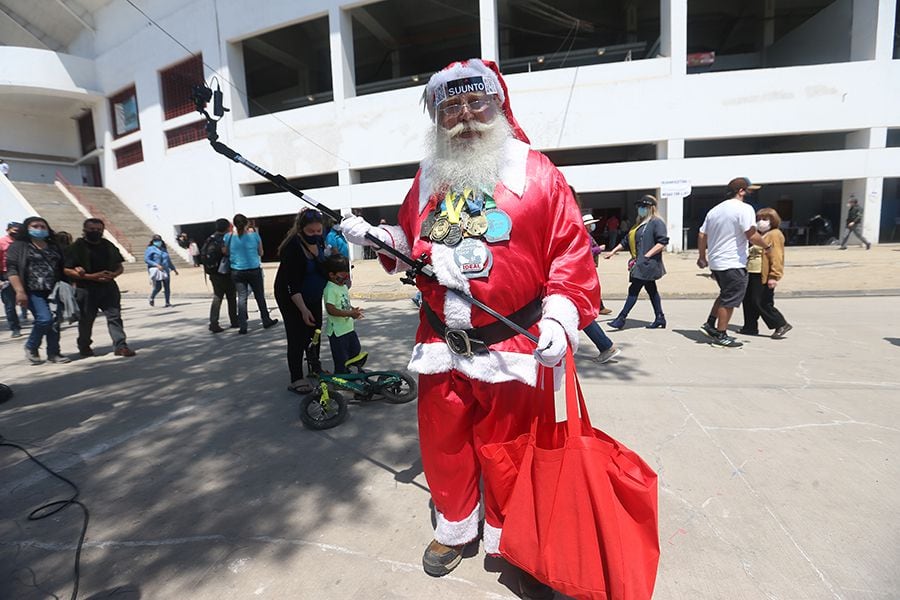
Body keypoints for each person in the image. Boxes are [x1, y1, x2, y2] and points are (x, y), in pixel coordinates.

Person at [340, 58, 598, 596]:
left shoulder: (537, 173)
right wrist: (376, 237)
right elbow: (412, 242)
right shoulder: (428, 176)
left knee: (507, 448)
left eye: (475, 101)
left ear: (498, 104)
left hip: (511, 345)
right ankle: (455, 529)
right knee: (444, 444)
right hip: (439, 343)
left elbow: (572, 254)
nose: (463, 115)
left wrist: (560, 314)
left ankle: (512, 539)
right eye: (449, 105)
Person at [697, 177, 772, 348]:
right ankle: (721, 334)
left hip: (717, 262)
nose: (751, 194)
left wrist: (702, 256)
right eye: (749, 190)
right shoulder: (744, 209)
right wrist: (767, 246)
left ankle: (710, 324)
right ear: (741, 191)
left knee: (725, 294)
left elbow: (702, 235)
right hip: (732, 262)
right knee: (730, 299)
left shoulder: (715, 210)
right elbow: (751, 234)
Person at [63, 218, 136, 357]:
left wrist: (113, 275)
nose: (95, 232)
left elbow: (119, 266)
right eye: (92, 229)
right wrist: (91, 276)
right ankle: (84, 345)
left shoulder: (108, 246)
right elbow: (66, 269)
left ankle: (120, 346)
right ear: (84, 230)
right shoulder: (75, 248)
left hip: (108, 288)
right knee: (86, 320)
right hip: (85, 289)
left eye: (99, 230)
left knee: (114, 317)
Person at [274, 208, 328, 392]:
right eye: (310, 231)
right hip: (291, 296)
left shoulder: (320, 241)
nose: (315, 235)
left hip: (312, 294)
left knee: (316, 331)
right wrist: (303, 310)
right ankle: (296, 377)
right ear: (300, 229)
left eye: (318, 231)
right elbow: (292, 285)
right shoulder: (293, 248)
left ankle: (314, 367)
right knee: (297, 335)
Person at [5, 217, 70, 364]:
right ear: (27, 228)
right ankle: (31, 346)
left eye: (43, 226)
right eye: (35, 226)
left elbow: (63, 266)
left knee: (55, 320)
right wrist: (19, 291)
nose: (39, 229)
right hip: (32, 291)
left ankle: (54, 353)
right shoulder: (19, 246)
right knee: (44, 318)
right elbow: (12, 270)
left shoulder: (53, 246)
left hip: (54, 290)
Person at [604, 195, 669, 330]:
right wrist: (613, 251)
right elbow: (626, 241)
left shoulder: (656, 222)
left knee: (633, 290)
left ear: (651, 208)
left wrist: (647, 255)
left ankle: (621, 318)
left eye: (644, 207)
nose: (641, 209)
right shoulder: (638, 224)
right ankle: (660, 317)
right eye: (639, 207)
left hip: (647, 264)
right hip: (640, 263)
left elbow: (662, 242)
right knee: (652, 290)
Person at [741, 208, 792, 339]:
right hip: (751, 271)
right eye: (758, 219)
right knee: (748, 301)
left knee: (761, 301)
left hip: (762, 272)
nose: (761, 222)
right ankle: (750, 326)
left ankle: (780, 323)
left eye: (765, 219)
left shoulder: (775, 234)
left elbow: (777, 256)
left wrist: (774, 276)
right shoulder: (758, 234)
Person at [225, 213, 278, 334]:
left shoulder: (229, 237)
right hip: (253, 269)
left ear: (234, 224)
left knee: (242, 297)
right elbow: (261, 253)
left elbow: (226, 252)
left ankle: (243, 325)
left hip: (237, 270)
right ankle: (265, 319)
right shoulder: (254, 236)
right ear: (247, 223)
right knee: (259, 296)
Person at [323, 255, 364, 373]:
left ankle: (349, 372)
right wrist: (350, 313)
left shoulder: (343, 286)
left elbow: (343, 302)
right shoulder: (330, 289)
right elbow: (331, 309)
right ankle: (340, 377)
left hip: (348, 328)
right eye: (343, 274)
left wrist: (353, 309)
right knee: (341, 357)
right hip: (337, 332)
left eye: (347, 274)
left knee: (355, 350)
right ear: (332, 275)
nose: (346, 277)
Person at [204, 219, 239, 333]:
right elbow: (226, 252)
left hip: (213, 272)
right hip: (224, 272)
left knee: (218, 297)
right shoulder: (224, 238)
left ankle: (214, 322)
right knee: (231, 296)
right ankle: (234, 320)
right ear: (228, 227)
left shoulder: (210, 238)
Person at [1, 221, 23, 337]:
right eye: (14, 231)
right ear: (8, 230)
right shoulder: (2, 243)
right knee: (9, 304)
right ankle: (15, 327)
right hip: (6, 274)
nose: (17, 233)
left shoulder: (23, 242)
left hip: (23, 274)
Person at [144, 235, 178, 307]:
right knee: (158, 287)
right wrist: (156, 265)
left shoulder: (164, 249)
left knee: (167, 286)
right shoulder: (150, 249)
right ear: (153, 242)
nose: (158, 242)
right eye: (156, 241)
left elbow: (168, 260)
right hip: (156, 270)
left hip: (165, 269)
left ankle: (167, 302)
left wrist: (173, 269)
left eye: (159, 241)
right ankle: (152, 297)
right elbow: (147, 260)